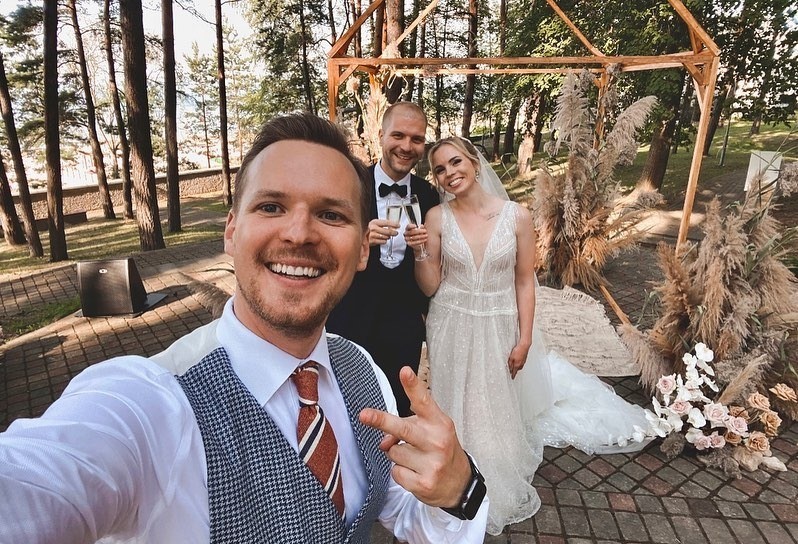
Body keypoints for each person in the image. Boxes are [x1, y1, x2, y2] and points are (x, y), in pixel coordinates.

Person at [0, 115, 489, 543]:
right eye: (271, 206)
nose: (298, 233)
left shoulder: (363, 369)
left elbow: (399, 509)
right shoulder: (152, 401)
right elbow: (39, 479)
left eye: (331, 214)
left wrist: (458, 490)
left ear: (362, 248)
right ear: (231, 231)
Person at [406, 136, 652, 535]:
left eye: (455, 162)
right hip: (450, 320)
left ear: (474, 162)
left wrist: (524, 340)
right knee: (454, 396)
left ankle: (492, 469)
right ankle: (452, 470)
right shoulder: (436, 218)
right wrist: (419, 252)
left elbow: (524, 282)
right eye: (440, 169)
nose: (449, 173)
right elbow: (431, 286)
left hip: (498, 321)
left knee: (492, 396)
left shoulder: (516, 216)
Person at [327, 101, 439, 417]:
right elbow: (325, 243)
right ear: (381, 135)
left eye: (417, 139)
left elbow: (432, 262)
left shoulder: (429, 195)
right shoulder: (348, 183)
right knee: (345, 406)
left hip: (403, 326)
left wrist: (421, 250)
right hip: (349, 316)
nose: (406, 146)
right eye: (398, 135)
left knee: (397, 409)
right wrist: (359, 238)